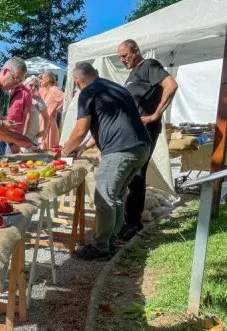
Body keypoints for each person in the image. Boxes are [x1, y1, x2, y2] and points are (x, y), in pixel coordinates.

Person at [62, 62, 151, 261]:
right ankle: (111, 241)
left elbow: (80, 130)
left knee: (104, 198)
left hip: (120, 150)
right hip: (141, 147)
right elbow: (109, 124)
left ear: (77, 81)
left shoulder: (87, 92)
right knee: (117, 196)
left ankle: (100, 248)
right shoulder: (116, 88)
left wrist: (65, 150)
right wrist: (83, 147)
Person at [117, 39, 178, 240]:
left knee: (137, 173)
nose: (122, 59)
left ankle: (133, 223)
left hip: (145, 130)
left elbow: (171, 85)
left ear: (136, 52)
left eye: (125, 55)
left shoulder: (149, 65)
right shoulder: (133, 74)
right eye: (120, 57)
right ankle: (127, 219)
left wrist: (155, 115)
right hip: (131, 131)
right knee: (131, 172)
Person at [4, 79, 32, 154]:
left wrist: (24, 135)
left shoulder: (25, 93)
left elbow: (27, 115)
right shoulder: (3, 89)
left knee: (10, 159)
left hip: (14, 133)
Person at [38, 71, 64, 149]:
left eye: (42, 78)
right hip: (40, 123)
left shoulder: (54, 90)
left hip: (49, 125)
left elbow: (65, 99)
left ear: (47, 79)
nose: (40, 80)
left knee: (48, 149)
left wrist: (56, 109)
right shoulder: (43, 90)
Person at [23, 75, 49, 149]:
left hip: (32, 136)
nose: (34, 87)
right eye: (31, 85)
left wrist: (44, 130)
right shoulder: (19, 98)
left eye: (36, 86)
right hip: (17, 134)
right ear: (25, 85)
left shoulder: (38, 101)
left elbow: (46, 117)